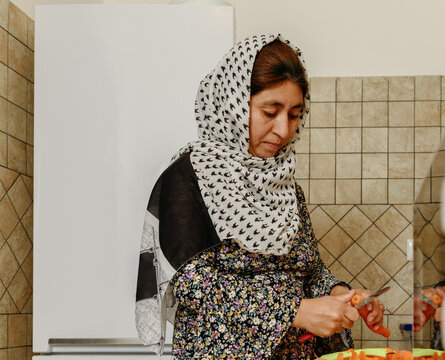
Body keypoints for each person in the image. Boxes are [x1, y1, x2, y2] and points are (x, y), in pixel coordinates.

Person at [135, 34, 385, 359]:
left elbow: (309, 270)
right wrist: (295, 311)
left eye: (294, 115)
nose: (283, 130)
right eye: (270, 112)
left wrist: (342, 295)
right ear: (236, 104)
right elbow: (192, 282)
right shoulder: (189, 176)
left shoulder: (286, 188)